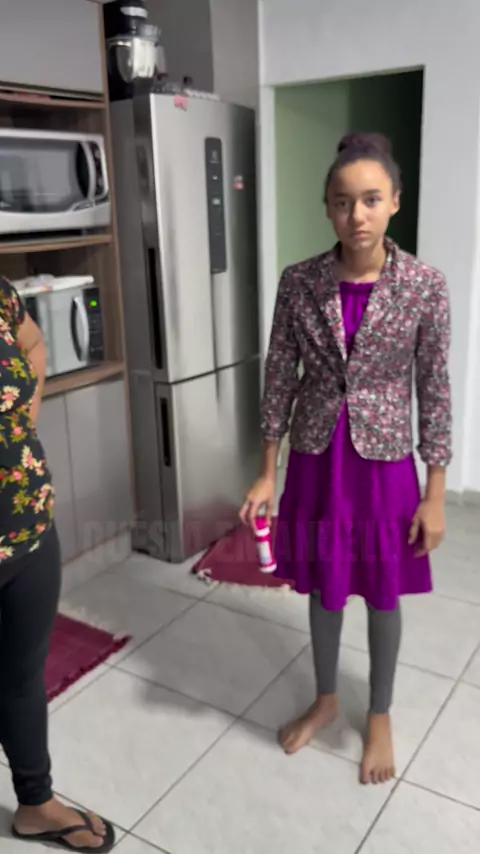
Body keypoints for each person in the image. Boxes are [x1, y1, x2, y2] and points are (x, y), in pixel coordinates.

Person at [241, 133, 452, 785]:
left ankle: (379, 712)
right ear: (327, 207)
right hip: (316, 458)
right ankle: (327, 697)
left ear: (395, 201)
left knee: (384, 589)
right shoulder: (299, 282)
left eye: (370, 199)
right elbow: (279, 375)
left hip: (385, 465)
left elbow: (434, 388)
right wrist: (267, 470)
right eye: (341, 201)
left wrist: (436, 492)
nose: (356, 215)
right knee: (324, 584)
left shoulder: (424, 285)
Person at [0, 276, 115, 850]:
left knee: (21, 677)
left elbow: (35, 343)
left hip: (28, 527)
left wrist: (24, 418)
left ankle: (36, 803)